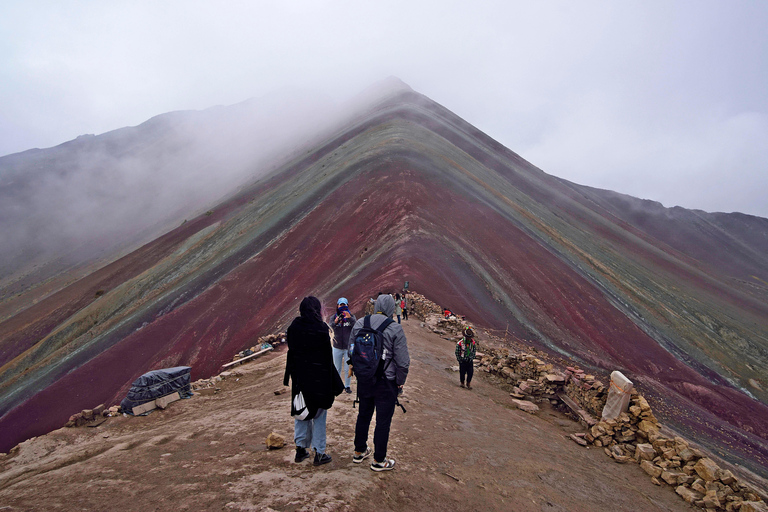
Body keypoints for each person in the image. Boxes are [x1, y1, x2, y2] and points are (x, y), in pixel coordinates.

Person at [349, 294, 410, 471]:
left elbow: (351, 350)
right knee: (383, 421)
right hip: (386, 383)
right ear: (391, 308)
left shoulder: (361, 323)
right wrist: (400, 382)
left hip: (365, 380)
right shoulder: (395, 328)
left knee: (363, 414)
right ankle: (378, 460)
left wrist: (359, 370)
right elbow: (403, 362)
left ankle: (359, 451)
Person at [283, 296, 345, 466]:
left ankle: (300, 449)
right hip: (319, 379)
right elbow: (326, 359)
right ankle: (319, 452)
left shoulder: (294, 327)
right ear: (317, 310)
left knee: (301, 413)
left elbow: (293, 352)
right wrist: (333, 383)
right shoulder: (321, 329)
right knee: (319, 415)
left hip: (300, 378)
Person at [329, 297, 356, 394]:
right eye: (341, 305)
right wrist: (335, 322)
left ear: (347, 305)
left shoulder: (351, 316)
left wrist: (350, 319)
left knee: (348, 367)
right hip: (337, 346)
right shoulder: (334, 317)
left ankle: (347, 386)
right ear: (337, 306)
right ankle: (336, 385)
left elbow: (356, 327)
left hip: (348, 347)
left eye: (344, 305)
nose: (343, 307)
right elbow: (330, 328)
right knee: (337, 367)